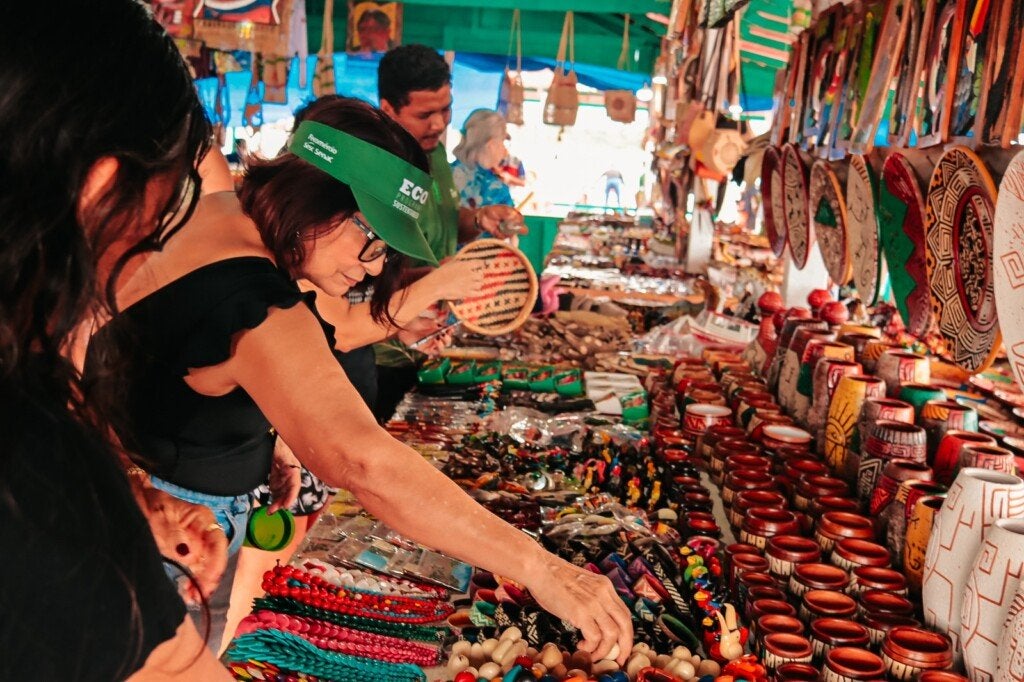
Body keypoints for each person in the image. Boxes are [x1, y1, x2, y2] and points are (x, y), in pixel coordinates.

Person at [85, 98, 633, 663]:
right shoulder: (257, 301)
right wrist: (539, 567)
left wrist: (259, 427)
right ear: (319, 199)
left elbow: (175, 364)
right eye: (371, 241)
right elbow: (364, 462)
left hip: (129, 501)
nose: (374, 267)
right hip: (175, 546)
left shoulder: (215, 209)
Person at [0, 2, 232, 679]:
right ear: (102, 190)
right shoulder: (35, 464)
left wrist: (133, 501)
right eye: (163, 214)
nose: (152, 253)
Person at [374, 44, 527, 419]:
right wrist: (428, 286)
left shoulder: (434, 151)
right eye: (425, 113)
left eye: (446, 109)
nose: (440, 124)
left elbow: (439, 217)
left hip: (430, 341)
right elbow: (357, 276)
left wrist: (477, 219)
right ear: (387, 109)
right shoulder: (376, 167)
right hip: (381, 352)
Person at [452, 109, 515, 212]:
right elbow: (509, 225)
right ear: (491, 145)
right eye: (503, 142)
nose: (505, 151)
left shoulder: (443, 175)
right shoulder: (495, 189)